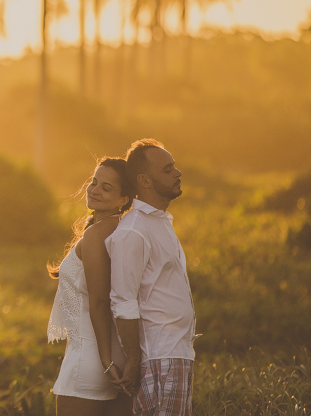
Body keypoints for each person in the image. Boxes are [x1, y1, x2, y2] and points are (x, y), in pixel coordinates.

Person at [107, 139, 195, 416]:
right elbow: (122, 301)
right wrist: (134, 358)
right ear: (144, 180)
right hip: (160, 357)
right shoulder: (133, 231)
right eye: (167, 169)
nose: (177, 173)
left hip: (176, 353)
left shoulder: (158, 222)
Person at [47, 157, 135, 416]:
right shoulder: (123, 231)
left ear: (124, 199)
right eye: (94, 182)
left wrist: (106, 362)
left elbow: (100, 301)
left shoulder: (96, 235)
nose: (95, 190)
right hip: (118, 357)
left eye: (106, 188)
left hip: (92, 359)